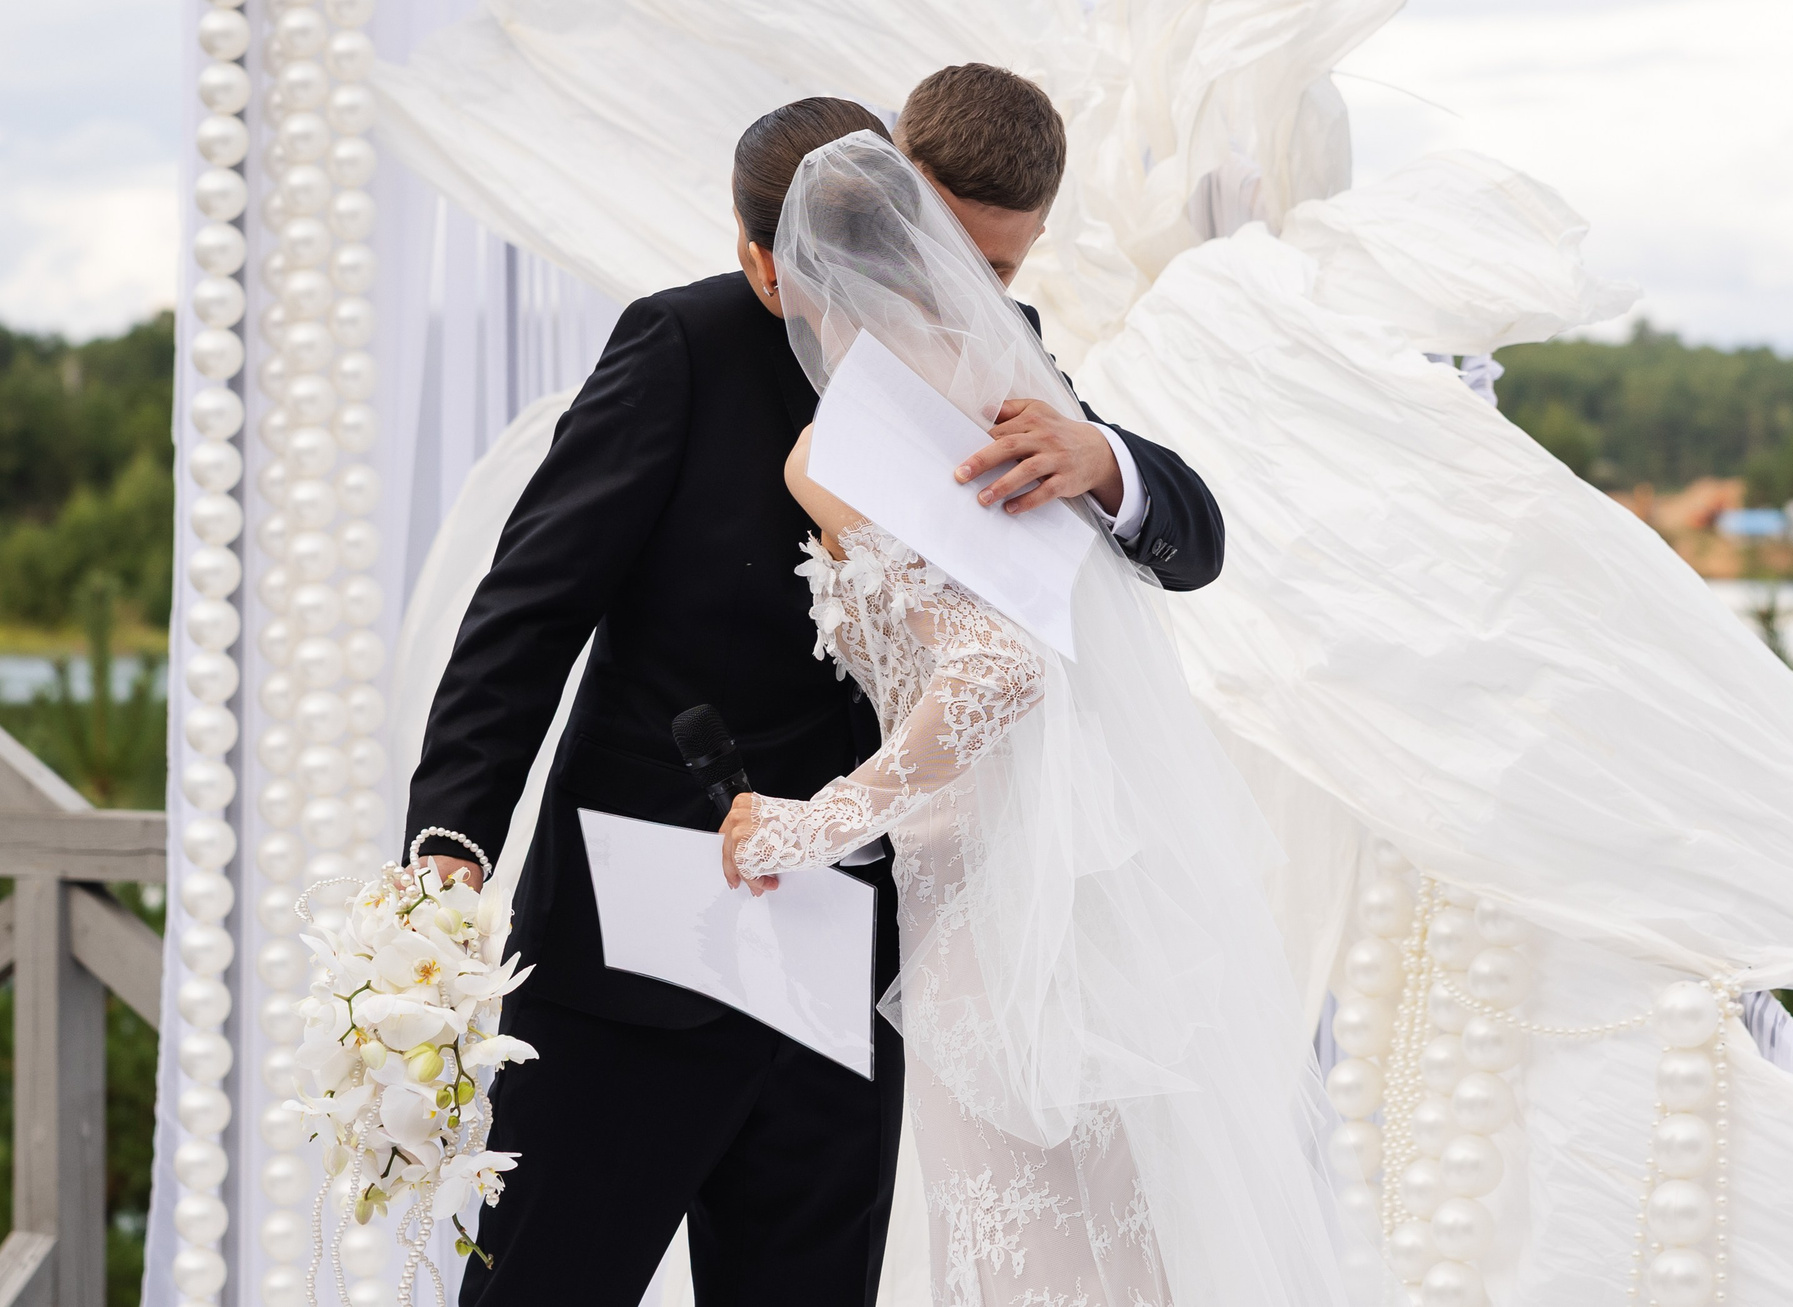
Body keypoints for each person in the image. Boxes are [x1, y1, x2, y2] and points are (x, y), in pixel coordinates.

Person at [399, 70, 1226, 1307]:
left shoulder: (997, 362)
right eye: (948, 253)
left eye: (999, 276)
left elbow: (1192, 545)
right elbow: (526, 615)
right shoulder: (684, 345)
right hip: (634, 954)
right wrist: (451, 842)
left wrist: (1103, 463)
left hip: (851, 966)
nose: (968, 294)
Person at [717, 128, 1348, 1307]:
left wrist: (810, 826)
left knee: (1032, 1250)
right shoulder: (997, 388)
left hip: (988, 899)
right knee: (1113, 1239)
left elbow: (997, 672)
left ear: (784, 275)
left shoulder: (843, 446)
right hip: (1090, 878)